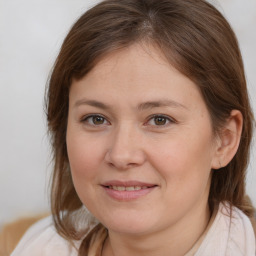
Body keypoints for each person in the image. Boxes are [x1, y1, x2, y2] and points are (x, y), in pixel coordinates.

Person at [11, 0, 256, 255]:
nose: (121, 155)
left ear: (224, 140)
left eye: (159, 119)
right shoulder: (40, 246)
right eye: (96, 119)